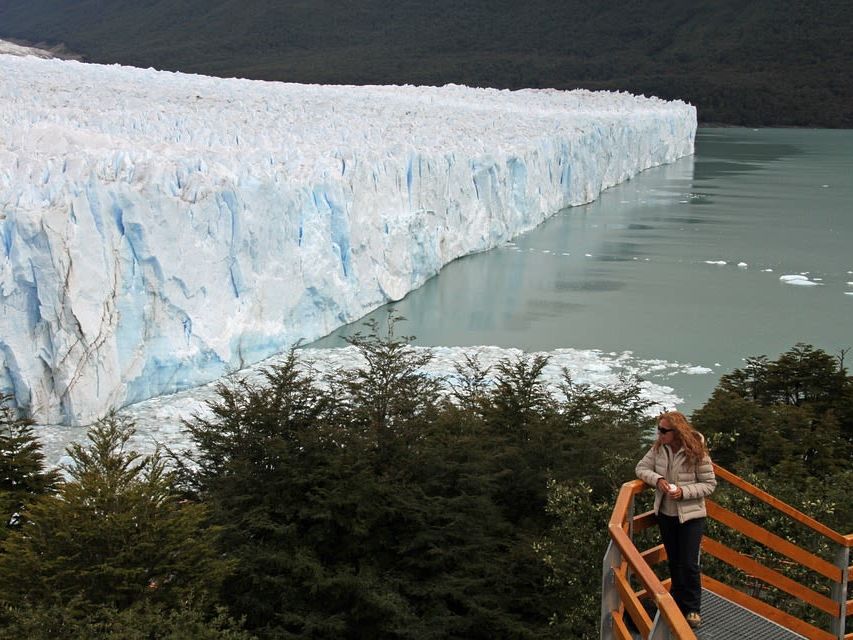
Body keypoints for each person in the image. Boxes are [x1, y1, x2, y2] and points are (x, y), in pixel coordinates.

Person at [636, 410, 716, 629]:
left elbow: (709, 484)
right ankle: (677, 604)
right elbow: (641, 468)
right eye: (659, 429)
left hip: (690, 515)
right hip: (666, 514)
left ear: (677, 431)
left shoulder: (695, 450)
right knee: (675, 562)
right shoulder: (659, 448)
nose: (659, 434)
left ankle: (692, 609)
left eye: (663, 430)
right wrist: (658, 479)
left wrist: (683, 492)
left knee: (689, 563)